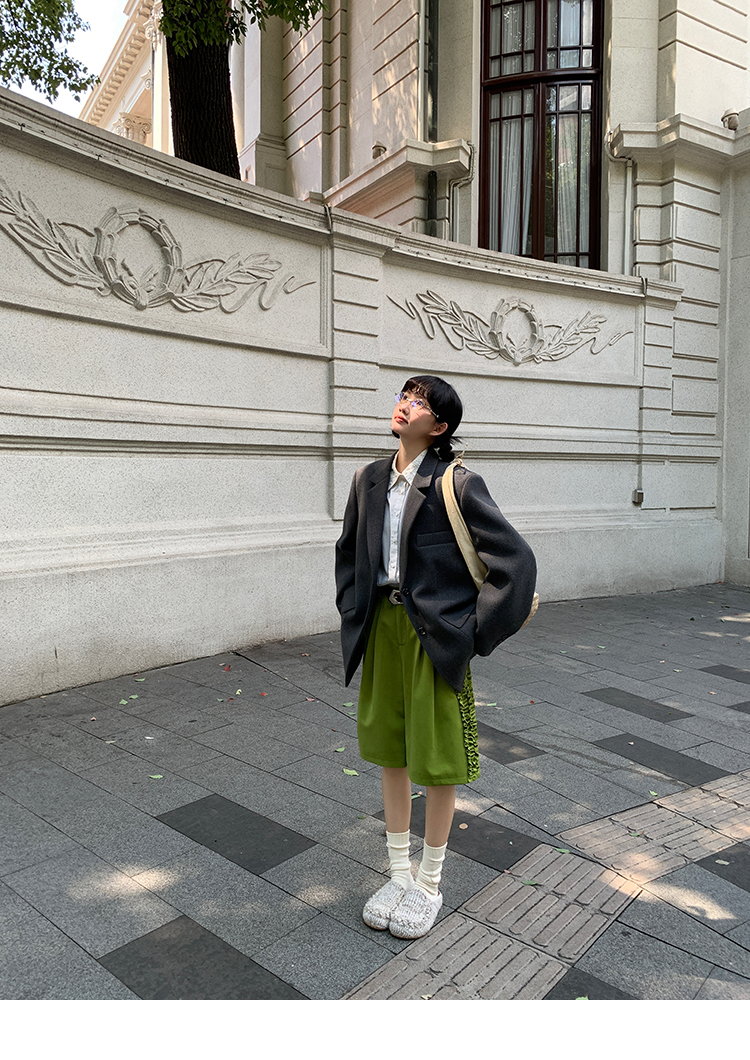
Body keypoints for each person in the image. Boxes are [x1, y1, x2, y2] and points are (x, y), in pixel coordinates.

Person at [334, 375, 537, 939]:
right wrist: (353, 608)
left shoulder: (458, 483)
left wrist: (472, 634)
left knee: (438, 757)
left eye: (420, 402)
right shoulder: (368, 479)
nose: (406, 405)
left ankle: (428, 883)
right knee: (390, 752)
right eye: (405, 396)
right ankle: (398, 875)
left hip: (435, 637)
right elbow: (349, 553)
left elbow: (516, 563)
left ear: (439, 426)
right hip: (382, 629)